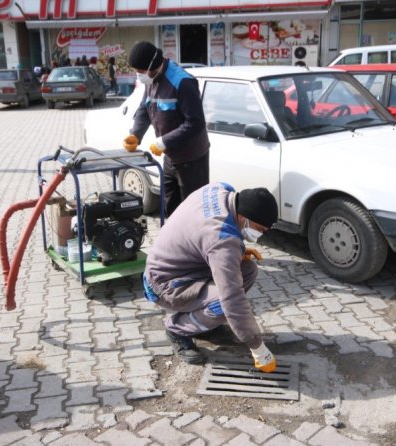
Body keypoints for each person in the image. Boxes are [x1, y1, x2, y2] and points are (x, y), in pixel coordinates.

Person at [142, 182, 278, 371]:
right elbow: (233, 300)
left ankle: (205, 325)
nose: (260, 234)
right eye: (259, 229)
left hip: (179, 267)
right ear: (244, 216)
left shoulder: (219, 189)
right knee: (224, 304)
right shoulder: (223, 241)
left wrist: (239, 252)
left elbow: (203, 237)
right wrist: (257, 347)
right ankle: (177, 329)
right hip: (165, 284)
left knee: (248, 270)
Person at [123, 41, 210, 216]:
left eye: (140, 71)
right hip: (170, 159)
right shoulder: (151, 79)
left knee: (192, 212)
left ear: (152, 66)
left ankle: (192, 243)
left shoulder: (183, 82)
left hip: (192, 161)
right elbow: (144, 108)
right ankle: (172, 241)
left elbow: (196, 123)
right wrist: (135, 134)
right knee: (170, 207)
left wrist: (164, 141)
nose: (138, 75)